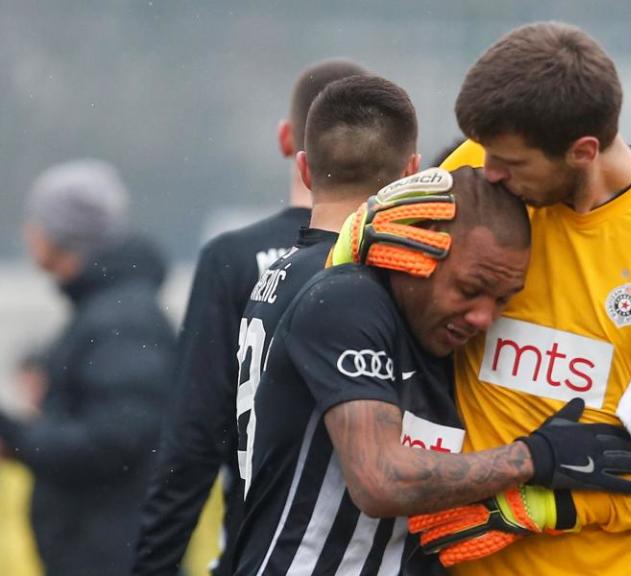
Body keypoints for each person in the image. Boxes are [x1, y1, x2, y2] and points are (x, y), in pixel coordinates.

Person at [233, 73, 631, 575]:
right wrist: (532, 459)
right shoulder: (347, 300)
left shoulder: (452, 339)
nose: (484, 317)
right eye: (469, 289)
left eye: (502, 299)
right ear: (422, 249)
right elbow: (380, 480)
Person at [423, 21, 631, 574]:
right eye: (484, 153)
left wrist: (556, 507)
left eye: (512, 163)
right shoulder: (471, 172)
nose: (488, 174)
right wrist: (357, 239)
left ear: (582, 152)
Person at [133, 59, 370, 576]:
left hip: (257, 551)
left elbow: (193, 436)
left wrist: (155, 563)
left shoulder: (233, 258)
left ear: (290, 141)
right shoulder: (404, 266)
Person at [0, 160, 176, 576]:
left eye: (36, 219)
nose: (28, 231)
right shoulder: (110, 309)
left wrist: (17, 436)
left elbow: (117, 437)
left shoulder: (120, 317)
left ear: (60, 233)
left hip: (111, 558)